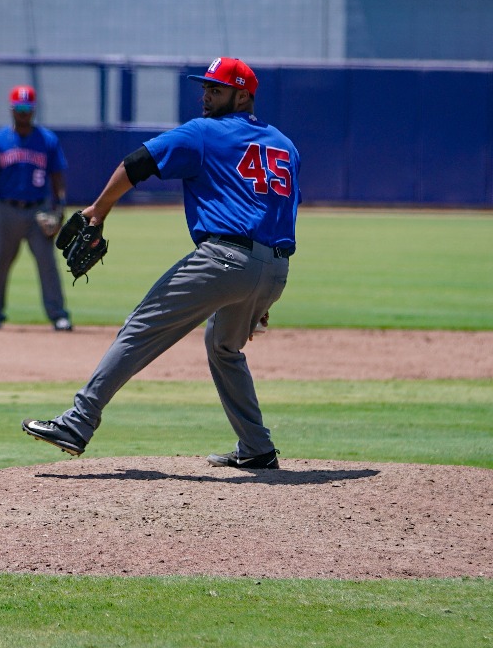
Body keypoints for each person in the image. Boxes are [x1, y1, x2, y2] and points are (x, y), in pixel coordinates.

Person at [22, 57, 300, 470]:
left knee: (141, 327)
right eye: (205, 87)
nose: (206, 95)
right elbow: (279, 212)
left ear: (243, 95)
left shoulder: (203, 132)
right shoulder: (284, 144)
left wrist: (98, 211)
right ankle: (257, 446)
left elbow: (135, 164)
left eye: (216, 89)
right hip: (275, 267)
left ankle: (77, 423)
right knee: (224, 346)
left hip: (224, 260)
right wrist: (262, 295)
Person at [0, 84, 73, 332]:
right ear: (11, 109)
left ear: (33, 110)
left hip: (38, 212)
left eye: (27, 108)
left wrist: (60, 208)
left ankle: (58, 315)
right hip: (5, 209)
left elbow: (57, 177)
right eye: (19, 108)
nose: (23, 113)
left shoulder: (47, 140)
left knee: (47, 265)